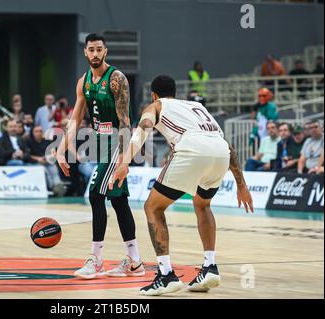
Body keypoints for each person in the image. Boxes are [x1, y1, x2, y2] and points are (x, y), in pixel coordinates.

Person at [110, 75, 253, 296]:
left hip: (192, 150)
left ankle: (166, 274)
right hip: (220, 152)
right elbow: (226, 145)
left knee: (153, 208)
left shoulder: (156, 105)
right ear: (175, 92)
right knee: (203, 205)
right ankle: (209, 266)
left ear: (154, 94)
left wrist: (124, 162)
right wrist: (241, 184)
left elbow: (144, 128)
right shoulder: (197, 107)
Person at [56, 33, 144, 279]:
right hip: (100, 143)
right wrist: (62, 149)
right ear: (85, 52)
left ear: (105, 51)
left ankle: (96, 260)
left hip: (118, 141)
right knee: (118, 201)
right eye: (91, 50)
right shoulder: (83, 81)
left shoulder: (116, 79)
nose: (95, 54)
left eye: (99, 50)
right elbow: (75, 119)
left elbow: (126, 121)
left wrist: (125, 159)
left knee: (95, 194)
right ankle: (135, 261)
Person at [26, 125, 66, 196]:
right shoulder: (28, 142)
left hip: (47, 161)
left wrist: (47, 159)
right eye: (36, 131)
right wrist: (38, 159)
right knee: (44, 170)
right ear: (32, 133)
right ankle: (51, 187)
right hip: (35, 163)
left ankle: (58, 184)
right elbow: (27, 155)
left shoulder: (48, 141)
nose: (38, 133)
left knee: (53, 168)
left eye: (40, 131)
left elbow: (54, 153)